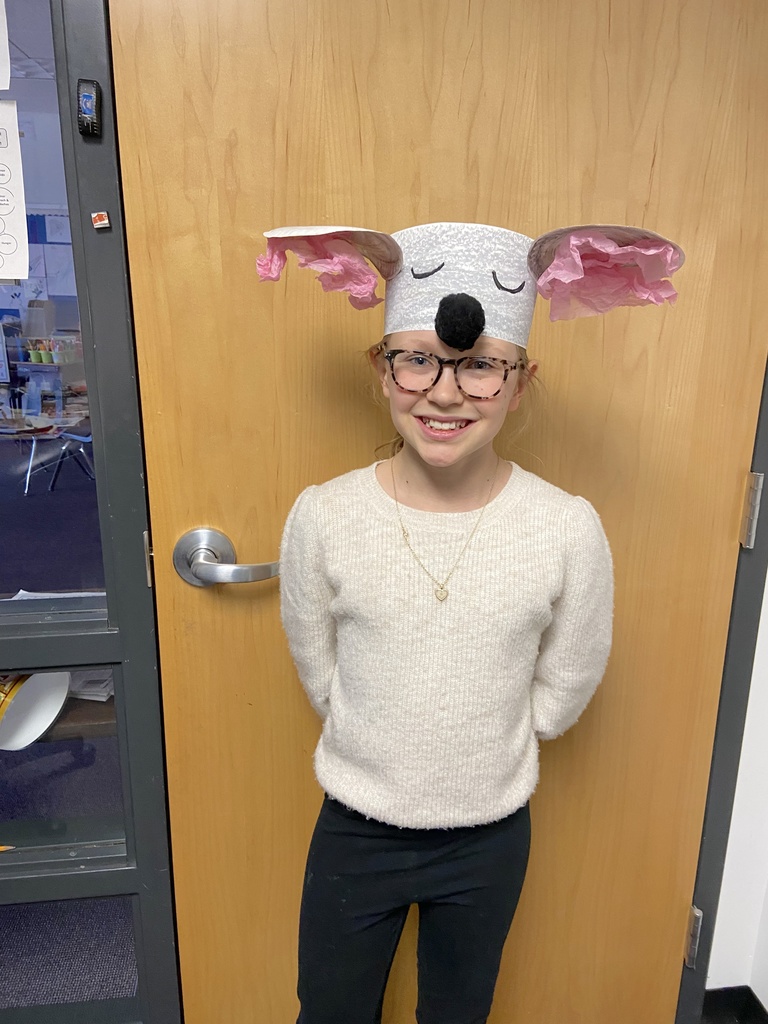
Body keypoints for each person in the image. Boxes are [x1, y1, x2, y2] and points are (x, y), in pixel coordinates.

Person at [258, 220, 684, 1024]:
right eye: (418, 358)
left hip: (488, 838)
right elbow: (317, 661)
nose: (445, 392)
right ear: (382, 371)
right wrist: (371, 728)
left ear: (518, 382)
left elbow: (570, 673)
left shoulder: (564, 526)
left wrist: (501, 736)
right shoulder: (325, 516)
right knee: (332, 1008)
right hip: (358, 830)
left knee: (460, 1009)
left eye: (481, 366)